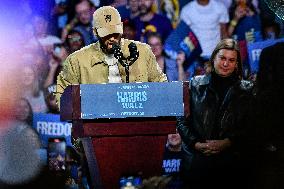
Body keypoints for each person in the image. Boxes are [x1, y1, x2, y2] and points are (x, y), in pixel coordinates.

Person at [176, 39, 255, 189]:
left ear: (237, 64)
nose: (226, 64)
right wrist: (196, 143)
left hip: (231, 165)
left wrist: (228, 142)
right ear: (213, 58)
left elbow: (251, 126)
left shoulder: (248, 90)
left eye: (231, 60)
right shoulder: (195, 84)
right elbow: (181, 120)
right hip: (198, 163)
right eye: (222, 58)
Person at [56, 6, 167, 108]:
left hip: (137, 124)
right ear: (95, 32)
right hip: (96, 125)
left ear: (122, 28)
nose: (112, 39)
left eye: (115, 32)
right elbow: (62, 98)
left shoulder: (142, 52)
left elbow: (163, 88)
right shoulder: (77, 60)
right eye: (106, 34)